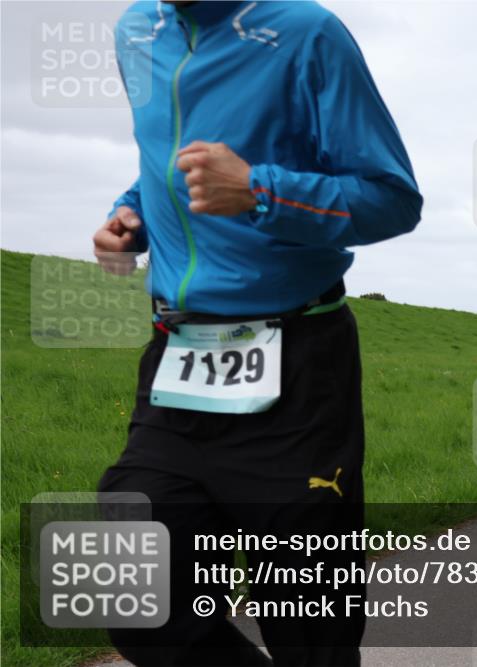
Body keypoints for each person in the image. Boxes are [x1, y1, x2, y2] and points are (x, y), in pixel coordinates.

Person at [92, 2, 422, 665]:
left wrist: (259, 190)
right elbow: (165, 153)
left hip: (299, 363)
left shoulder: (307, 35)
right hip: (179, 358)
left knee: (309, 633)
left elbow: (392, 197)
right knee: (133, 595)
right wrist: (131, 215)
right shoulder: (136, 32)